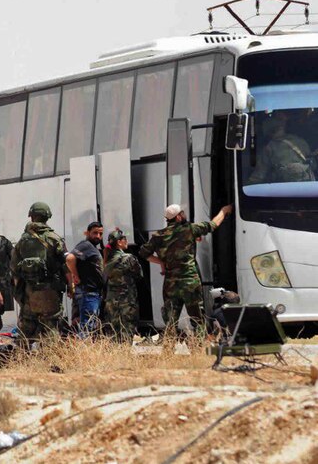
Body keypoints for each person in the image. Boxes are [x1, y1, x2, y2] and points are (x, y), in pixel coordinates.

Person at [139, 204, 234, 338]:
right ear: (178, 216)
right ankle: (199, 347)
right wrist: (224, 211)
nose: (184, 215)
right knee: (197, 318)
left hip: (170, 284)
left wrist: (162, 262)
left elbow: (144, 253)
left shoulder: (158, 235)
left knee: (170, 320)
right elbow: (213, 224)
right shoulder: (190, 229)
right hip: (190, 281)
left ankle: (169, 346)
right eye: (182, 213)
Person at [10, 202, 68, 346]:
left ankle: (19, 358)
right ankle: (51, 359)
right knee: (50, 327)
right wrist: (71, 286)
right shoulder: (55, 239)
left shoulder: (23, 240)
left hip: (29, 292)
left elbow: (14, 269)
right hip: (50, 291)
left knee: (26, 327)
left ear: (32, 217)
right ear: (47, 216)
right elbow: (65, 264)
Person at [248, 111, 317, 184]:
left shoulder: (269, 148)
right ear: (282, 128)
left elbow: (258, 175)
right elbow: (314, 165)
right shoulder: (300, 141)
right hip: (308, 185)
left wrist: (248, 185)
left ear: (267, 132)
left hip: (284, 189)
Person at [66, 221, 106, 337]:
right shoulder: (86, 245)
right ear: (87, 233)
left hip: (91, 293)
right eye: (94, 233)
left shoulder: (92, 248)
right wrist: (76, 275)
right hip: (88, 292)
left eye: (100, 233)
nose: (98, 236)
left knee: (87, 326)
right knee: (87, 327)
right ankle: (83, 351)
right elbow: (69, 258)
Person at [102, 229, 143, 342]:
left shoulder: (107, 260)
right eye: (125, 239)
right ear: (119, 242)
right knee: (128, 330)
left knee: (113, 332)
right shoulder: (128, 258)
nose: (127, 241)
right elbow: (139, 275)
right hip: (127, 301)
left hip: (111, 302)